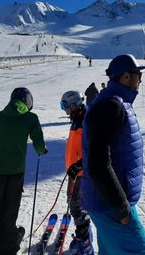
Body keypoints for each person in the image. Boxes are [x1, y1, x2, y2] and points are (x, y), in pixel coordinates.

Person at [82, 54, 145, 254]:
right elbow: (98, 163)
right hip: (111, 205)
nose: (140, 80)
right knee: (139, 249)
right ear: (125, 77)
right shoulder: (111, 106)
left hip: (110, 201)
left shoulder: (115, 103)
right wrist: (120, 207)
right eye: (138, 75)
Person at [0, 87, 47, 255]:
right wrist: (41, 149)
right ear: (28, 102)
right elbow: (38, 141)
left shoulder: (0, 116)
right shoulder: (30, 117)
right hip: (15, 174)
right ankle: (7, 249)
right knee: (9, 213)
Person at [60, 90, 93, 254]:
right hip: (75, 172)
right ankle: (85, 236)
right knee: (75, 205)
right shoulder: (77, 119)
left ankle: (84, 242)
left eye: (65, 106)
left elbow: (93, 147)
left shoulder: (86, 120)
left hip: (82, 173)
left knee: (77, 207)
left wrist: (80, 164)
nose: (64, 110)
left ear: (74, 104)